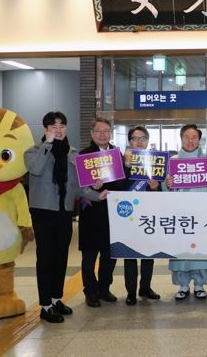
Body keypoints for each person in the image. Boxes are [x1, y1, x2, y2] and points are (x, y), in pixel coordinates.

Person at [25, 111, 108, 323]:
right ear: (45, 129)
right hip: (43, 211)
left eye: (62, 126)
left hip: (65, 211)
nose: (58, 130)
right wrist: (48, 144)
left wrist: (97, 194)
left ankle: (56, 298)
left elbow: (79, 187)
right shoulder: (34, 151)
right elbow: (35, 169)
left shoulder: (73, 154)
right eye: (53, 127)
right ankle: (45, 305)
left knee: (61, 256)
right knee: (45, 258)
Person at [164, 124, 207, 300]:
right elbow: (164, 187)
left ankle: (199, 283)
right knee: (181, 249)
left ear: (199, 139)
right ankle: (182, 284)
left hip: (201, 212)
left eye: (194, 137)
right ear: (181, 139)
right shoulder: (173, 161)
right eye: (187, 137)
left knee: (200, 249)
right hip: (180, 213)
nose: (190, 141)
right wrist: (167, 184)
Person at [79, 118, 126, 307]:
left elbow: (123, 182)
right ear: (92, 133)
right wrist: (94, 187)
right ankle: (90, 291)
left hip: (112, 212)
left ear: (111, 133)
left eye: (106, 131)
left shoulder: (117, 154)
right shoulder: (84, 155)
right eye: (98, 131)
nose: (102, 134)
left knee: (109, 253)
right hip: (91, 212)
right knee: (89, 255)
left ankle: (104, 288)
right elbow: (78, 185)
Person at [122, 126, 161, 305]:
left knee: (148, 253)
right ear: (129, 141)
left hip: (149, 212)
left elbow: (162, 190)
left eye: (143, 138)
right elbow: (117, 185)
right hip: (127, 214)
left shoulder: (155, 161)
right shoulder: (121, 161)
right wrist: (127, 165)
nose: (139, 141)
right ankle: (131, 292)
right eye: (135, 138)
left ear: (147, 141)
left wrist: (156, 188)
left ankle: (145, 287)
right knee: (129, 254)